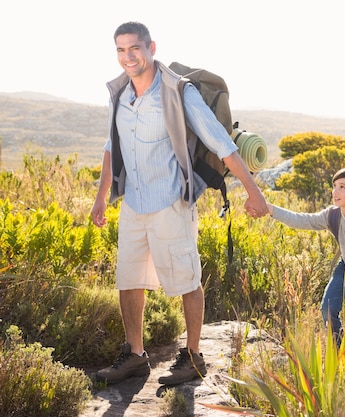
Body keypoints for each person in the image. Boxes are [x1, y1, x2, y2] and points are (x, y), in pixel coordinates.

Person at [90, 21, 267, 386]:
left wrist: (254, 191)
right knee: (129, 279)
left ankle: (193, 356)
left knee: (186, 279)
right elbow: (112, 146)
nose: (128, 56)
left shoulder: (178, 91)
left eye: (134, 48)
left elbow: (220, 141)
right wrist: (100, 198)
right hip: (134, 204)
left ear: (151, 47)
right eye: (121, 50)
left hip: (171, 202)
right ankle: (135, 356)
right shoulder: (120, 94)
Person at [266, 165, 345, 347]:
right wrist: (271, 209)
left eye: (342, 187)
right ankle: (339, 351)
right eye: (334, 186)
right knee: (328, 309)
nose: (335, 191)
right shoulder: (332, 215)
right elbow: (303, 220)